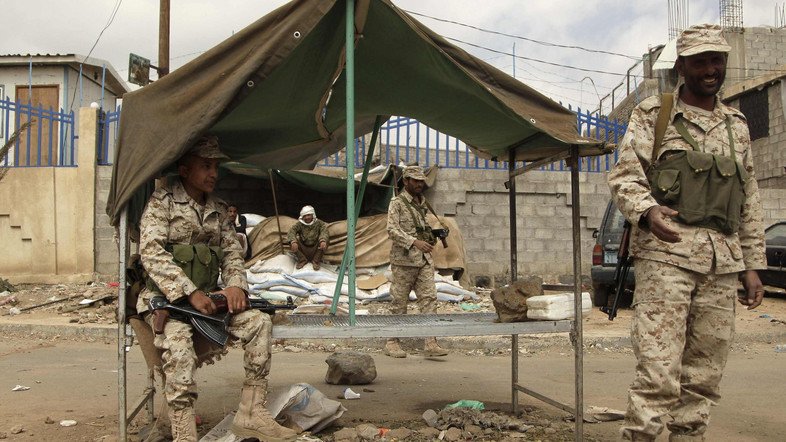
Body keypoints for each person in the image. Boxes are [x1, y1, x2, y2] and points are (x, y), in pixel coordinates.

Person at [607, 24, 766, 441]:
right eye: (701, 61)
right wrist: (646, 211)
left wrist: (753, 266)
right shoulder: (652, 115)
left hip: (722, 264)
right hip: (667, 258)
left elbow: (748, 197)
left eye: (717, 60)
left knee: (704, 379)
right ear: (682, 66)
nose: (711, 69)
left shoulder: (737, 124)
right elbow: (625, 177)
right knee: (658, 376)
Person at [138, 135, 297, 442]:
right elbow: (151, 253)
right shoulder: (163, 203)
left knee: (259, 322)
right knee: (179, 348)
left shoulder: (219, 210)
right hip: (168, 302)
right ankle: (184, 432)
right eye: (206, 166)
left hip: (208, 302)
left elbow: (233, 254)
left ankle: (251, 413)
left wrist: (236, 286)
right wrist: (189, 292)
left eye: (216, 167)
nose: (213, 173)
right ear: (185, 171)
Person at [385, 165, 448, 358]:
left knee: (429, 300)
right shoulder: (397, 203)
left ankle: (430, 341)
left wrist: (433, 235)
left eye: (422, 181)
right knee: (399, 302)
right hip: (404, 262)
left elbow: (421, 229)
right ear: (406, 181)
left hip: (424, 261)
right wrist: (415, 242)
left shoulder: (422, 203)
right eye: (415, 180)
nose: (420, 184)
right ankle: (392, 342)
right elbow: (392, 230)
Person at [287, 205, 329, 270]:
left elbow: (325, 231)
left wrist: (323, 240)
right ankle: (302, 260)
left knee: (324, 241)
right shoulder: (299, 224)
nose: (307, 217)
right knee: (291, 241)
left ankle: (316, 261)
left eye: (309, 215)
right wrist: (293, 242)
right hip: (303, 248)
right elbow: (291, 231)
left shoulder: (320, 223)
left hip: (315, 248)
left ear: (313, 215)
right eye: (304, 216)